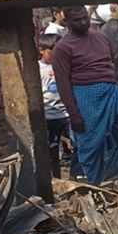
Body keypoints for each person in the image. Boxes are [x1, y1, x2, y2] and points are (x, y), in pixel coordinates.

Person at [52, 6, 118, 185]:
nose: (83, 22)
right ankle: (91, 186)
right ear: (68, 23)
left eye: (85, 18)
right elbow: (63, 84)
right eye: (77, 20)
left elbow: (113, 62)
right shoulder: (63, 48)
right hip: (86, 96)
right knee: (89, 145)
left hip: (112, 91)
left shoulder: (101, 37)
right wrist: (74, 114)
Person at [38, 33, 71, 178]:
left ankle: (77, 176)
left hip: (67, 115)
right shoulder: (37, 69)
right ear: (42, 50)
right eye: (52, 50)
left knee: (77, 146)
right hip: (49, 117)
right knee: (52, 151)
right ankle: (56, 179)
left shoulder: (63, 66)